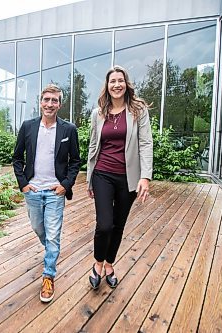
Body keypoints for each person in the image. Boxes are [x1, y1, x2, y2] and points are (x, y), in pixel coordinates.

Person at [86, 65, 153, 289]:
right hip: (102, 174)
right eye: (112, 81)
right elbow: (93, 145)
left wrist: (145, 177)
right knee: (104, 224)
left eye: (120, 80)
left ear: (126, 84)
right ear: (107, 86)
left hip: (128, 178)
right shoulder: (98, 113)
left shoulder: (138, 110)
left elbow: (145, 143)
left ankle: (109, 264)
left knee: (118, 224)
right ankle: (97, 263)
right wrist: (89, 178)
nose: (117, 84)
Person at [12, 84, 81, 303]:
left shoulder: (68, 130)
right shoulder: (28, 126)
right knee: (38, 229)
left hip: (55, 192)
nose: (50, 104)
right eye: (46, 99)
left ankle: (48, 275)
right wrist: (23, 184)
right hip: (32, 190)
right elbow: (17, 158)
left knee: (53, 235)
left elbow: (75, 161)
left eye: (54, 100)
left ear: (60, 104)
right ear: (40, 102)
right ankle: (52, 251)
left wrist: (65, 185)